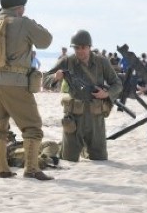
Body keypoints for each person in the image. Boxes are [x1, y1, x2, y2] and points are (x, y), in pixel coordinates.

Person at [0, 0, 53, 180]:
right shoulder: (23, 23)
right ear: (20, 7)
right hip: (16, 82)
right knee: (32, 127)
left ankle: (1, 169)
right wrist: (30, 23)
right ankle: (31, 169)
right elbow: (46, 41)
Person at [43, 30, 121, 162]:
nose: (80, 51)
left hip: (95, 119)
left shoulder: (102, 62)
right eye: (76, 48)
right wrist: (55, 77)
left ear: (89, 47)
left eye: (83, 47)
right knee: (68, 159)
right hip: (73, 118)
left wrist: (106, 94)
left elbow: (117, 84)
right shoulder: (67, 61)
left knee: (100, 158)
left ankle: (85, 149)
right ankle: (71, 147)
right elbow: (45, 80)